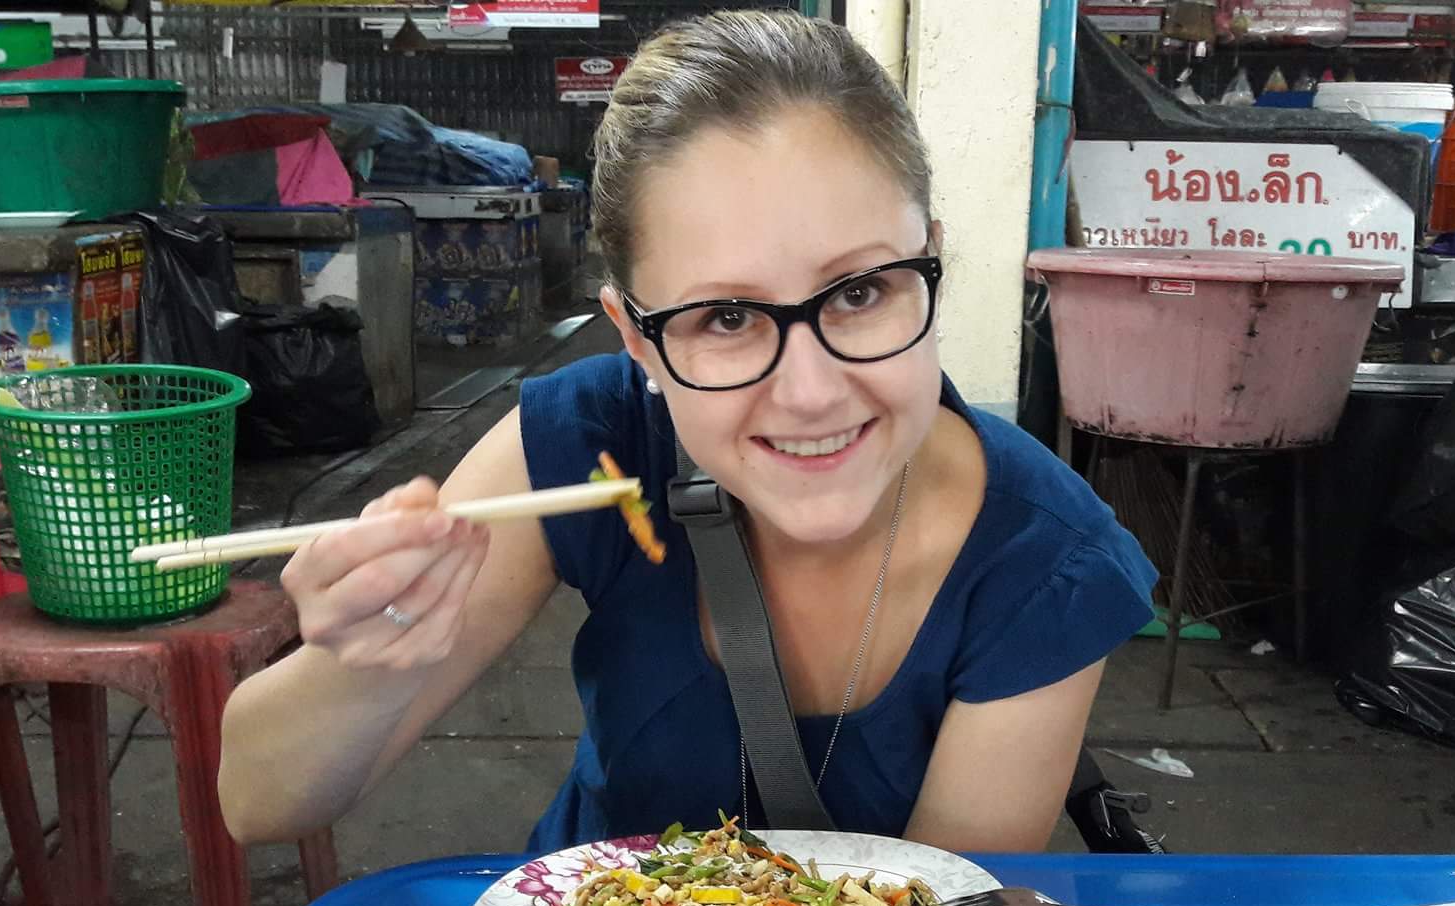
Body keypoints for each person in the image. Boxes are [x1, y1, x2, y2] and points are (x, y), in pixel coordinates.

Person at [217, 10, 1157, 856]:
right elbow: (258, 803)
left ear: (932, 265)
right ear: (637, 340)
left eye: (863, 292)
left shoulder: (1047, 562)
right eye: (725, 319)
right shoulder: (594, 441)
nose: (811, 392)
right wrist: (364, 658)